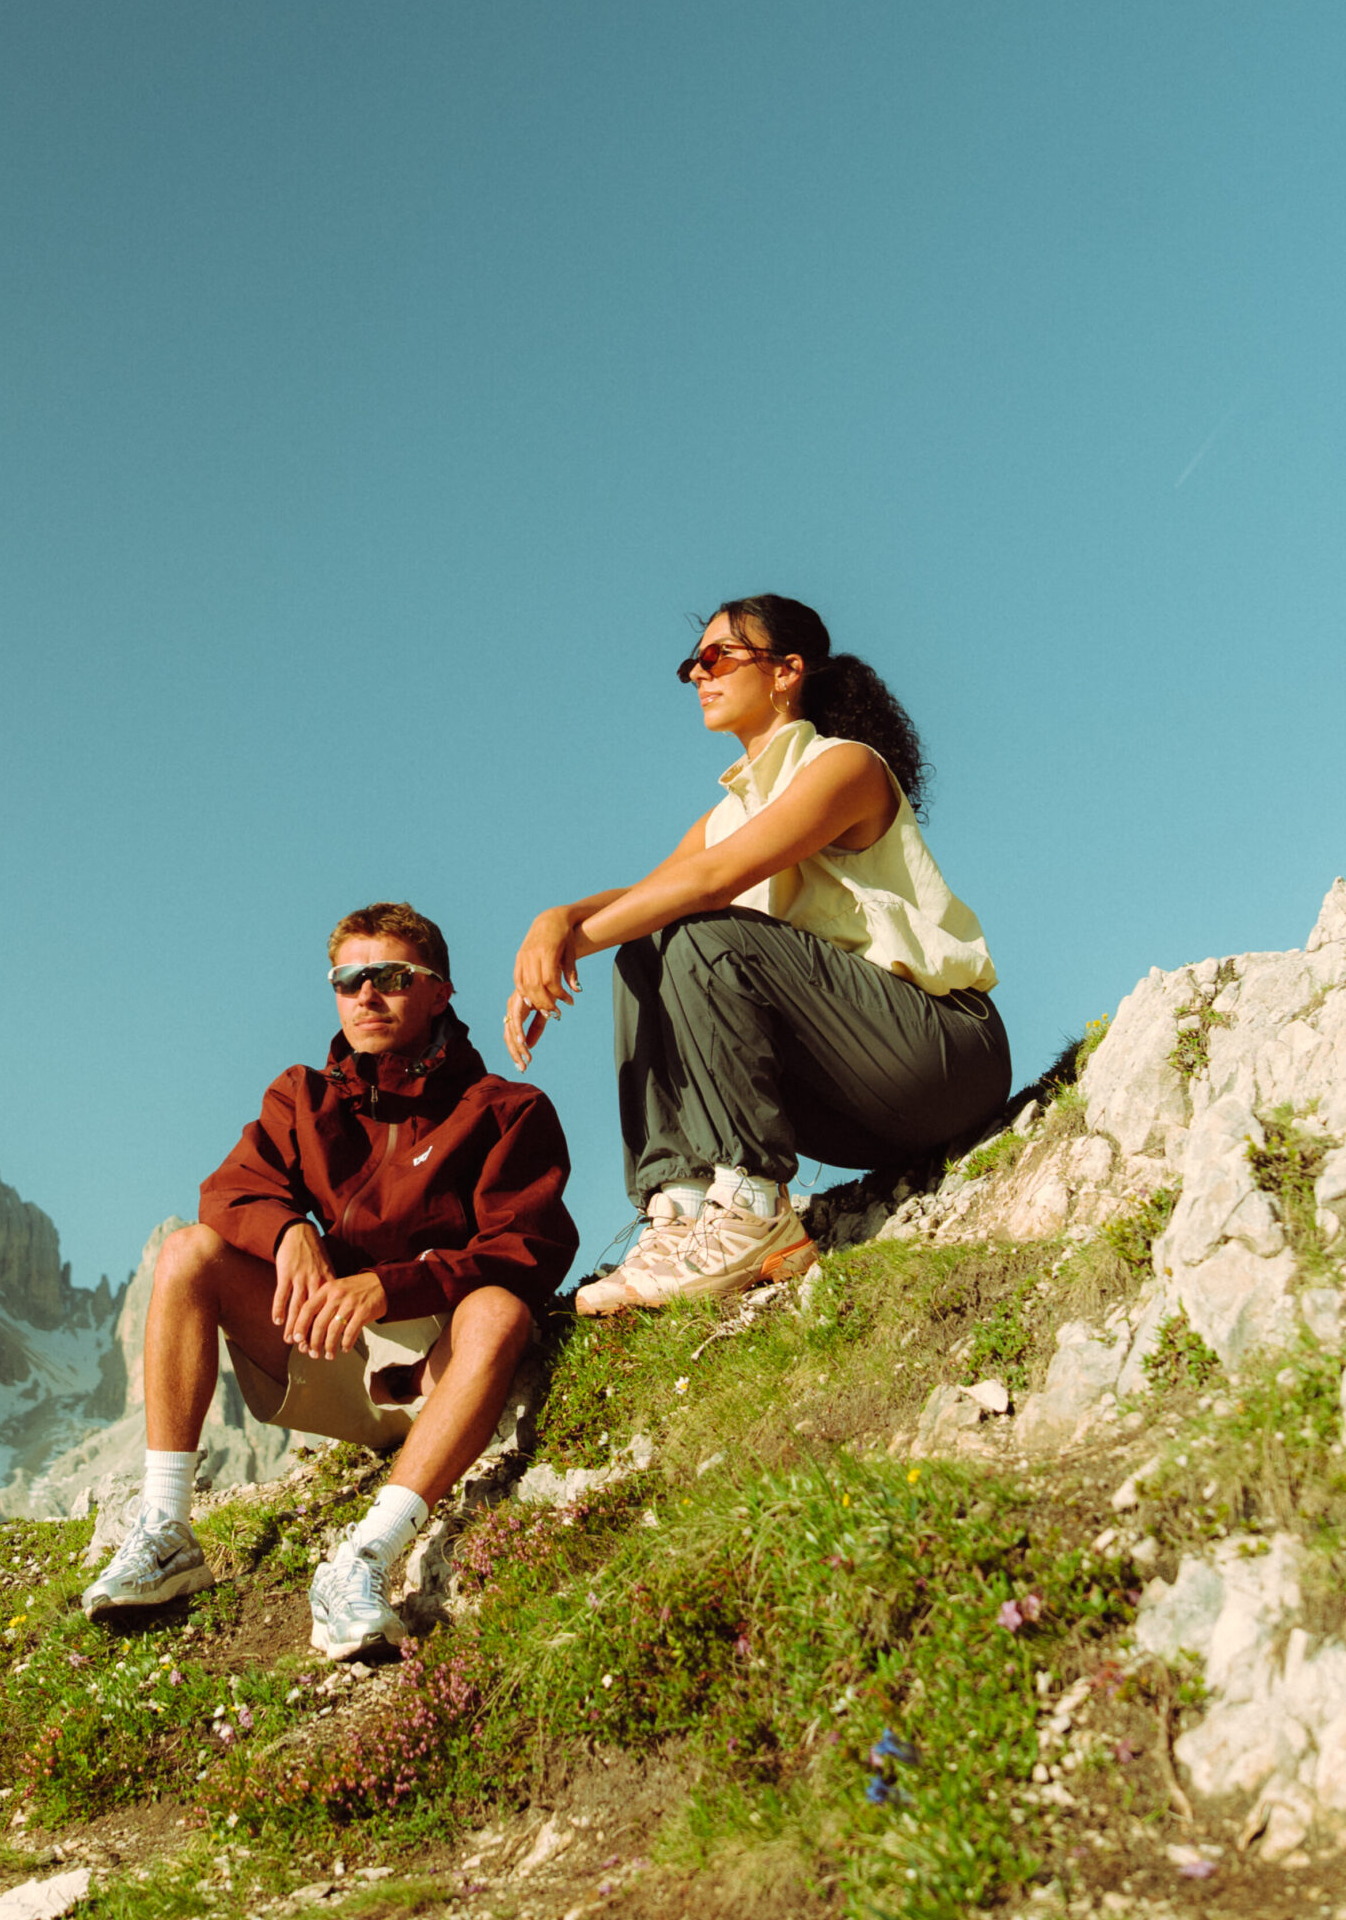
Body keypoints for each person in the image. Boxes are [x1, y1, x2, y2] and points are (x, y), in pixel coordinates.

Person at [84, 903, 578, 1660]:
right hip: (336, 1361)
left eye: (389, 977)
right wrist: (290, 1234)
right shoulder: (303, 1098)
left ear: (440, 991)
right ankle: (167, 1531)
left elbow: (529, 1248)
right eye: (348, 981)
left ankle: (364, 1561)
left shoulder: (507, 1111)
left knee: (499, 1311)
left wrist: (394, 1285)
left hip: (444, 1377)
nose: (366, 996)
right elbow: (230, 1191)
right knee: (187, 1252)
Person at [506, 595, 1008, 1314]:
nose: (698, 676)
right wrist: (554, 920)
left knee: (701, 930)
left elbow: (710, 882)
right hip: (857, 1097)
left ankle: (752, 1209)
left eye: (717, 658)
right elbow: (653, 890)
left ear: (786, 672)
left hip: (944, 1056)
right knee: (646, 945)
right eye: (692, 665)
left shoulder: (846, 767)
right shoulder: (730, 812)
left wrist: (568, 950)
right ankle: (679, 1210)